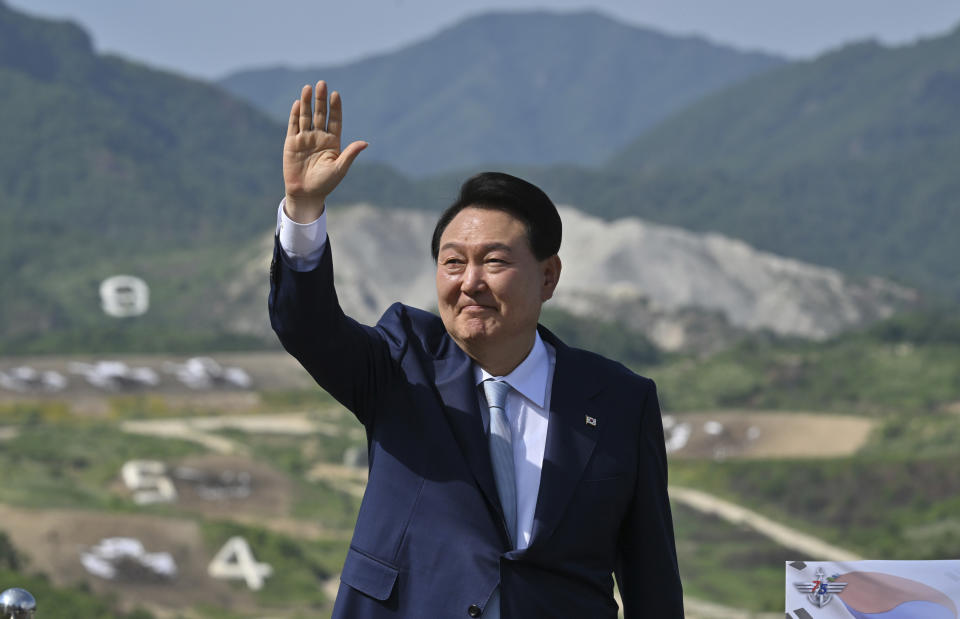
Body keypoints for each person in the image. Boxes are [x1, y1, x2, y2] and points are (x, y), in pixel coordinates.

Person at [269, 81, 684, 618]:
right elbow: (307, 326)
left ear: (549, 275)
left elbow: (651, 577)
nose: (470, 283)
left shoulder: (620, 401)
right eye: (453, 262)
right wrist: (304, 209)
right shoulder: (401, 365)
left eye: (494, 261)